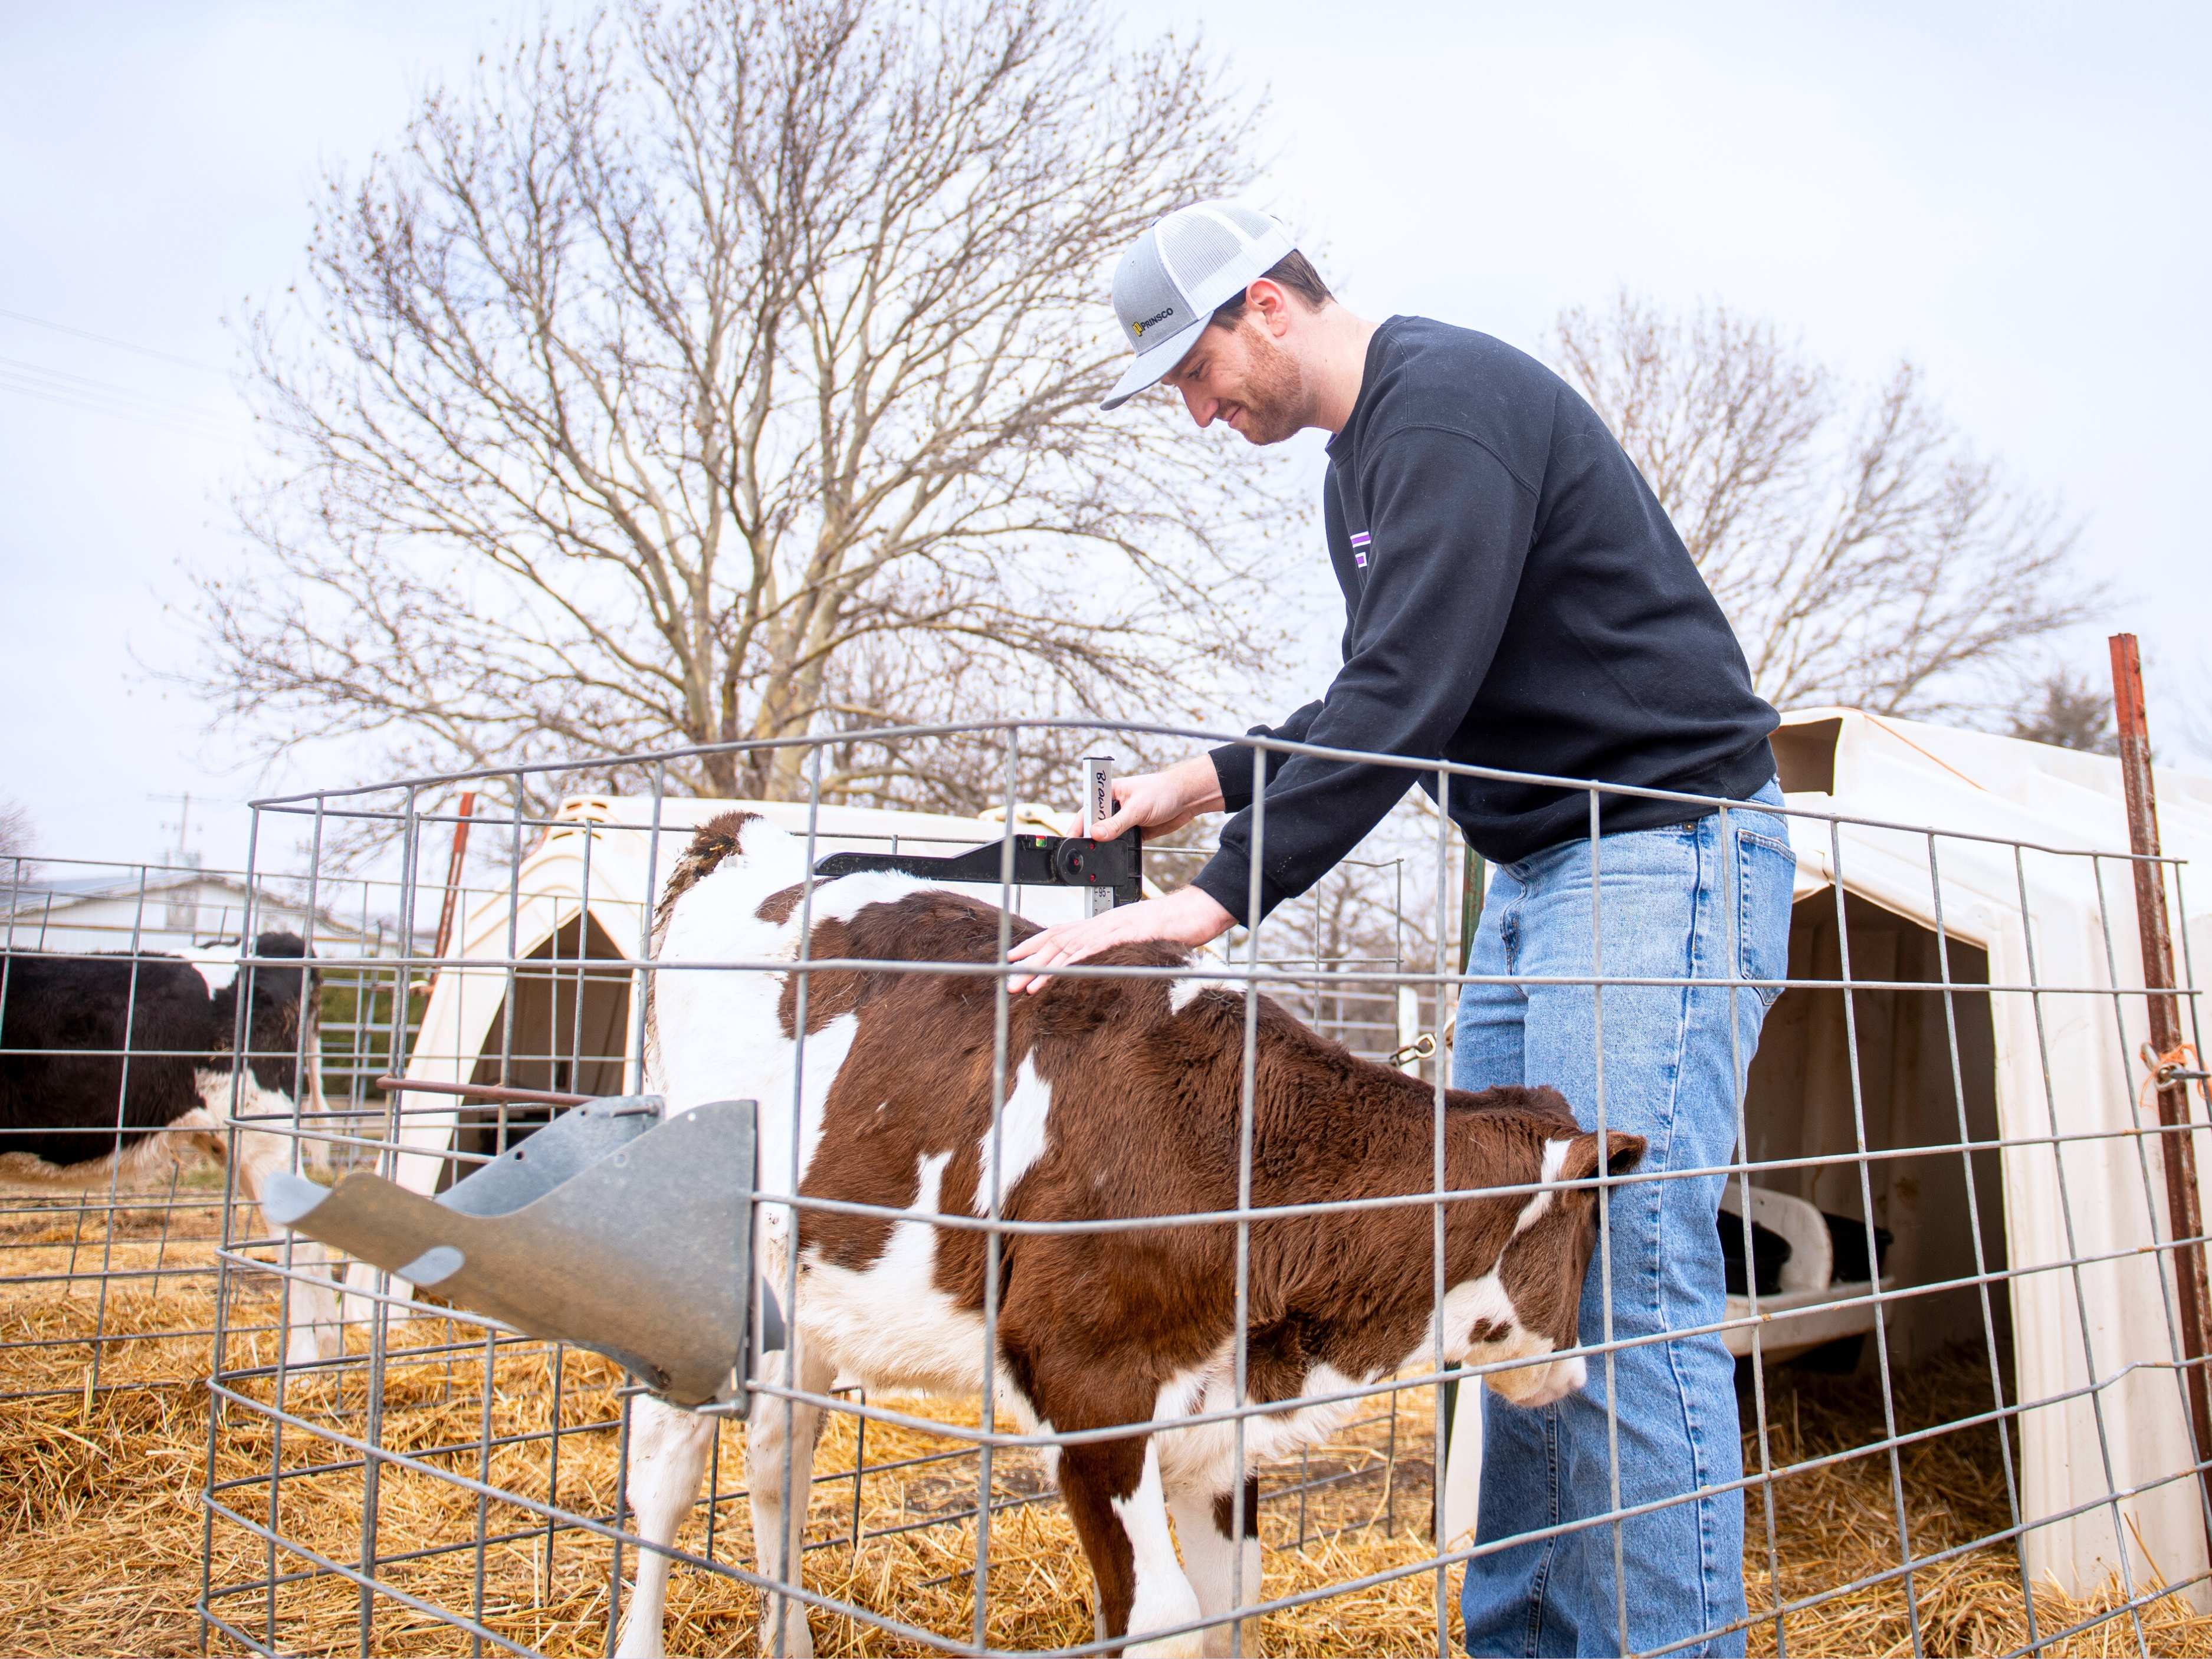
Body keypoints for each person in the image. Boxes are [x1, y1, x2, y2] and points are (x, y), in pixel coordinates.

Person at [1005, 200, 1797, 1657]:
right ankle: (1524, 1644)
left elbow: (1404, 697)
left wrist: (1213, 899)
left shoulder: (1448, 411)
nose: (1195, 411)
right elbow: (1388, 683)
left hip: (1660, 850)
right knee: (1508, 1262)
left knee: (1619, 1273)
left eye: (1193, 372)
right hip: (1542, 873)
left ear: (1265, 305)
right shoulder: (1364, 461)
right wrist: (1208, 774)